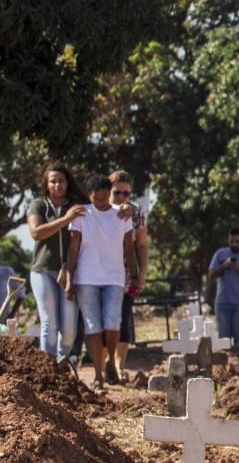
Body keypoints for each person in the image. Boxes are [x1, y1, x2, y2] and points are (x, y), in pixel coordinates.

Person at [66, 175, 137, 390]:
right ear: (90, 196)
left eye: (105, 197)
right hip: (86, 278)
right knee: (92, 326)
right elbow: (73, 248)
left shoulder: (122, 216)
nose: (101, 201)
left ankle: (111, 360)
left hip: (114, 278)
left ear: (110, 193)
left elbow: (129, 247)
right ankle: (98, 375)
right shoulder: (81, 215)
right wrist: (69, 277)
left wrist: (134, 274)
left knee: (112, 321)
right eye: (97, 198)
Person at [26, 164, 88, 361]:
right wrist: (66, 219)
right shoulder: (38, 205)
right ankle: (48, 366)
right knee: (49, 321)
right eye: (53, 181)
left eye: (61, 180)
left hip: (70, 272)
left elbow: (101, 208)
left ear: (67, 182)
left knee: (69, 329)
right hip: (42, 270)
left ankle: (62, 361)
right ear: (46, 183)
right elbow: (36, 232)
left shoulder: (76, 205)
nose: (57, 185)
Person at [110, 171, 148, 380]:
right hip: (102, 273)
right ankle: (105, 364)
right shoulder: (99, 210)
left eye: (126, 193)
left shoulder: (137, 212)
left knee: (124, 316)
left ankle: (118, 365)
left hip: (128, 274)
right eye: (117, 193)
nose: (122, 198)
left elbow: (141, 245)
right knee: (107, 319)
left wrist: (141, 274)